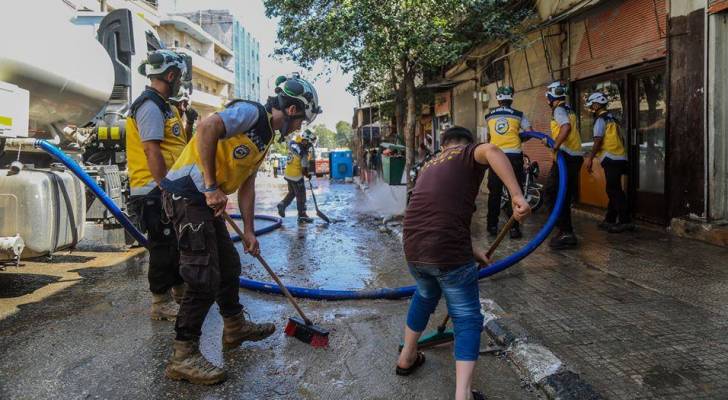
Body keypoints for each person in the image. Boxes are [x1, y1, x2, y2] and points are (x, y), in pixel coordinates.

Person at [160, 73, 322, 385]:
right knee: (202, 275)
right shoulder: (251, 114)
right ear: (291, 110)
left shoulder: (266, 137)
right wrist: (210, 187)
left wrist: (249, 230)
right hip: (188, 194)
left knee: (230, 264)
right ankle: (183, 355)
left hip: (203, 201)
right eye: (301, 119)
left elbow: (247, 185)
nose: (301, 126)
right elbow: (207, 127)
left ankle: (234, 327)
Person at [397, 126, 531, 400]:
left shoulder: (428, 165)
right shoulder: (468, 152)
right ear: (465, 143)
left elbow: (437, 214)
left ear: (442, 145)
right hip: (445, 250)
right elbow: (493, 150)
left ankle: (406, 358)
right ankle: (463, 395)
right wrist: (517, 196)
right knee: (467, 316)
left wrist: (472, 251)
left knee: (424, 295)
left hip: (414, 247)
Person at [126, 49, 190, 321]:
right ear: (171, 75)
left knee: (175, 243)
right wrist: (165, 186)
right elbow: (152, 151)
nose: (180, 84)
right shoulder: (150, 105)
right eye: (179, 79)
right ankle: (160, 303)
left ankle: (179, 293)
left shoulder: (165, 105)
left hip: (165, 187)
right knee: (163, 246)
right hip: (154, 189)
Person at [484, 85, 532, 239]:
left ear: (498, 99)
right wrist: (519, 137)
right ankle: (514, 229)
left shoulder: (489, 116)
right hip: (514, 157)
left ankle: (492, 226)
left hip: (495, 157)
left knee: (494, 193)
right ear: (511, 98)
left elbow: (489, 138)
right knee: (515, 193)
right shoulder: (519, 115)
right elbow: (530, 132)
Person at [584, 91, 634, 233]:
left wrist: (590, 158)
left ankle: (625, 221)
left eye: (592, 106)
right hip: (620, 157)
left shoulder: (600, 120)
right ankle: (610, 219)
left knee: (614, 190)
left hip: (611, 158)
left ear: (597, 105)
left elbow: (598, 141)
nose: (591, 108)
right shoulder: (613, 119)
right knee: (613, 188)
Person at [544, 81, 584, 249]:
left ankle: (566, 232)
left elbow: (565, 128)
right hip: (573, 157)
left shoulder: (558, 110)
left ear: (551, 96)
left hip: (566, 158)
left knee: (552, 193)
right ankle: (565, 232)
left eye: (547, 95)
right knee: (562, 195)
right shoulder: (569, 109)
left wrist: (555, 145)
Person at [277, 129, 316, 223]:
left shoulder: (293, 143)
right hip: (296, 176)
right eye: (309, 143)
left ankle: (282, 204)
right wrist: (308, 175)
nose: (310, 145)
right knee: (301, 195)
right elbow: (303, 169)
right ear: (305, 140)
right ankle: (302, 215)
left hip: (288, 174)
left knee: (292, 193)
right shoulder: (303, 153)